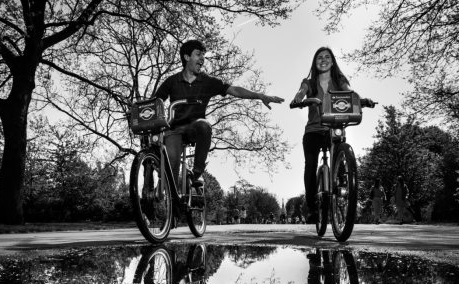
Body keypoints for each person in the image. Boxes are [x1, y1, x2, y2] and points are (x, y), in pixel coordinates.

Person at [155, 40, 284, 188]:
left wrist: (259, 95)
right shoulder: (172, 81)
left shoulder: (208, 81)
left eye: (204, 55)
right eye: (198, 54)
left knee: (204, 125)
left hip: (194, 127)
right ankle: (172, 203)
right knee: (171, 167)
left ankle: (196, 174)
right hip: (174, 129)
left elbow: (234, 90)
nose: (202, 58)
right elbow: (155, 102)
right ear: (186, 57)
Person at [292, 47, 373, 224]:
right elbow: (301, 91)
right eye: (319, 57)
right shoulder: (309, 81)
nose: (323, 60)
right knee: (311, 164)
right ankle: (313, 208)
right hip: (313, 130)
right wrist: (299, 97)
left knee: (341, 150)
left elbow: (350, 91)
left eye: (327, 57)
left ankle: (341, 181)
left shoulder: (339, 80)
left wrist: (360, 99)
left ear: (332, 61)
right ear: (315, 62)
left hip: (333, 128)